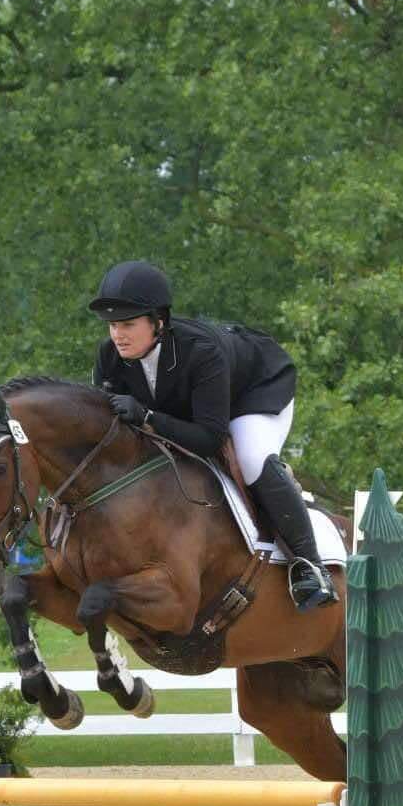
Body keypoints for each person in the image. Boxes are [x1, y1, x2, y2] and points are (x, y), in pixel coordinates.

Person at [88, 259, 335, 610]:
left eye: (128, 324)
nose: (117, 335)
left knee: (249, 458)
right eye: (112, 325)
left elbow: (208, 438)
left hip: (253, 392)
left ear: (158, 323)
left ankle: (311, 566)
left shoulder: (201, 352)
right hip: (193, 408)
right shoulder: (109, 356)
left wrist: (146, 416)